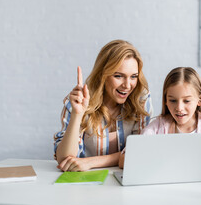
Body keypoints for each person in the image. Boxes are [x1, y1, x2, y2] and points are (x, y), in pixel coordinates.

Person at [54, 40, 153, 172]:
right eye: (118, 76)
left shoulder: (140, 98)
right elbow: (64, 160)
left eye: (133, 76)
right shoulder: (80, 100)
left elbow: (140, 152)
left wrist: (91, 162)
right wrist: (77, 115)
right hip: (86, 185)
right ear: (103, 75)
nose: (127, 85)